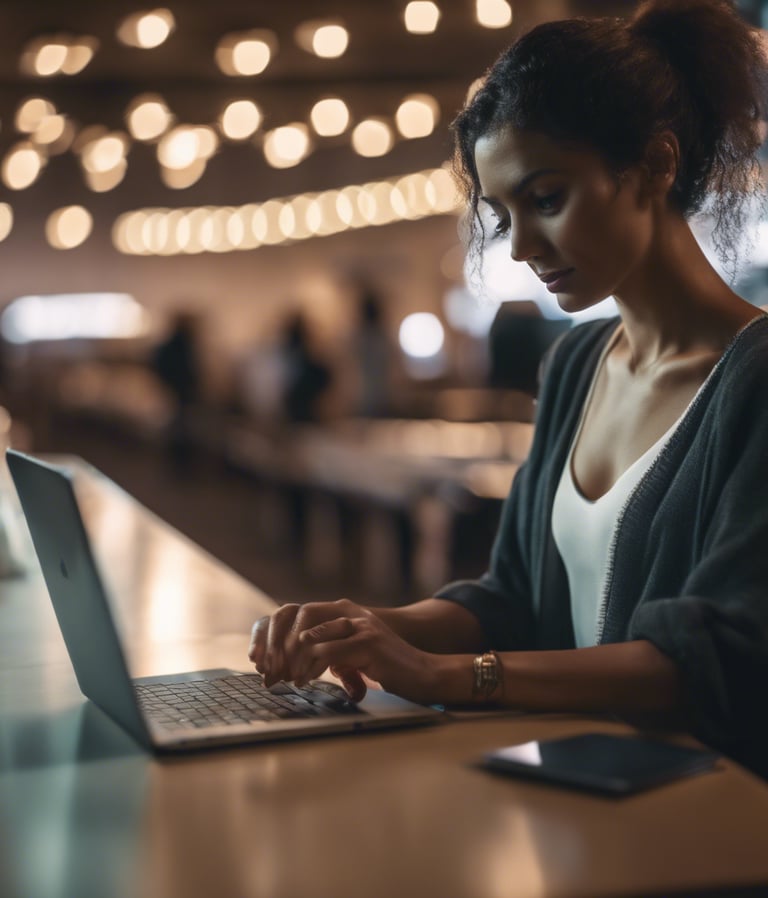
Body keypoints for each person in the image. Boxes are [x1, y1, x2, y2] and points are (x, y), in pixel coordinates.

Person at [249, 0, 768, 776]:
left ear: (657, 164)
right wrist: (363, 626)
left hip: (704, 817)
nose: (522, 246)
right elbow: (513, 597)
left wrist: (448, 676)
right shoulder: (577, 367)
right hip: (579, 792)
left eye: (547, 198)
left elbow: (716, 657)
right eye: (504, 213)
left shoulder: (753, 379)